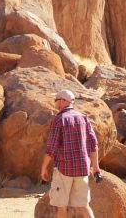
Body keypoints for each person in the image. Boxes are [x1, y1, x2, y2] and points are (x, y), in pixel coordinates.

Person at [40, 89, 99, 218]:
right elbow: (94, 144)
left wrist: (44, 168)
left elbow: (51, 148)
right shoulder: (83, 118)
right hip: (82, 169)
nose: (54, 102)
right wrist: (95, 168)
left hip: (64, 169)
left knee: (61, 206)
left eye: (56, 100)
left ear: (62, 101)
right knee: (84, 205)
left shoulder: (59, 119)